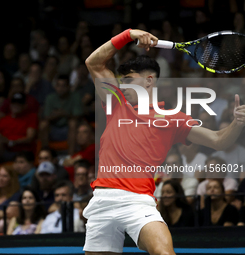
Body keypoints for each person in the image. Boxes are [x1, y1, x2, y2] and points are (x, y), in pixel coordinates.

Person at [83, 28, 245, 255]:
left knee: (164, 253)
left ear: (149, 81)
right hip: (102, 200)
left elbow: (218, 140)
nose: (123, 84)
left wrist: (237, 124)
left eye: (128, 79)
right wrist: (128, 35)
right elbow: (94, 63)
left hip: (138, 202)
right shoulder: (116, 103)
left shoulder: (173, 118)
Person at [0, 92, 38, 170]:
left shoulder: (31, 117)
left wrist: (11, 141)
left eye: (19, 104)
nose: (16, 106)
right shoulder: (3, 120)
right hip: (5, 150)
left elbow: (30, 138)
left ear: (24, 105)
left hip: (23, 151)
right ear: (10, 105)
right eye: (14, 103)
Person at [40, 75, 83, 155]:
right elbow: (46, 117)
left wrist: (63, 113)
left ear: (69, 87)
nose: (60, 89)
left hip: (68, 129)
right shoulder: (50, 97)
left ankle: (70, 156)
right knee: (43, 124)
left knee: (73, 123)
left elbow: (78, 115)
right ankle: (46, 154)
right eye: (58, 85)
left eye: (63, 86)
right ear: (55, 86)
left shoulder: (75, 96)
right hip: (54, 128)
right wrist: (58, 115)